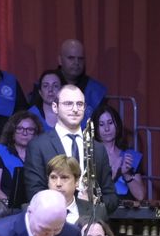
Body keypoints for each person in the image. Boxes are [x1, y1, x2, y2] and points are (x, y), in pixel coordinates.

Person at [22, 84, 117, 213]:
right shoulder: (38, 146)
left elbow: (111, 197)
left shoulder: (98, 148)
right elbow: (35, 194)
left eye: (79, 104)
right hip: (54, 225)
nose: (75, 109)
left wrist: (93, 202)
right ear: (55, 107)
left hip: (92, 225)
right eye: (68, 104)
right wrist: (69, 206)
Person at [38, 39, 107, 120]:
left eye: (80, 58)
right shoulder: (45, 86)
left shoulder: (96, 91)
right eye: (71, 58)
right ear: (60, 60)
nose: (76, 62)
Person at [0, 111, 40, 206]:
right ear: (12, 132)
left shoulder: (40, 155)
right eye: (19, 129)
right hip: (6, 207)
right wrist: (14, 207)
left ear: (36, 134)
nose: (24, 133)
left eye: (30, 129)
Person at [95, 104, 145, 203]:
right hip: (101, 214)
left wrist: (126, 174)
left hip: (127, 214)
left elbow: (140, 196)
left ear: (117, 124)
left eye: (110, 123)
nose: (107, 129)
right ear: (95, 129)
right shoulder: (90, 156)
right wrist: (114, 171)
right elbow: (92, 194)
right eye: (101, 125)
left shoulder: (130, 156)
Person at [45, 155, 97, 225]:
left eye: (64, 177)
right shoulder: (32, 210)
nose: (58, 184)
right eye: (53, 177)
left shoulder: (95, 211)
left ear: (77, 182)